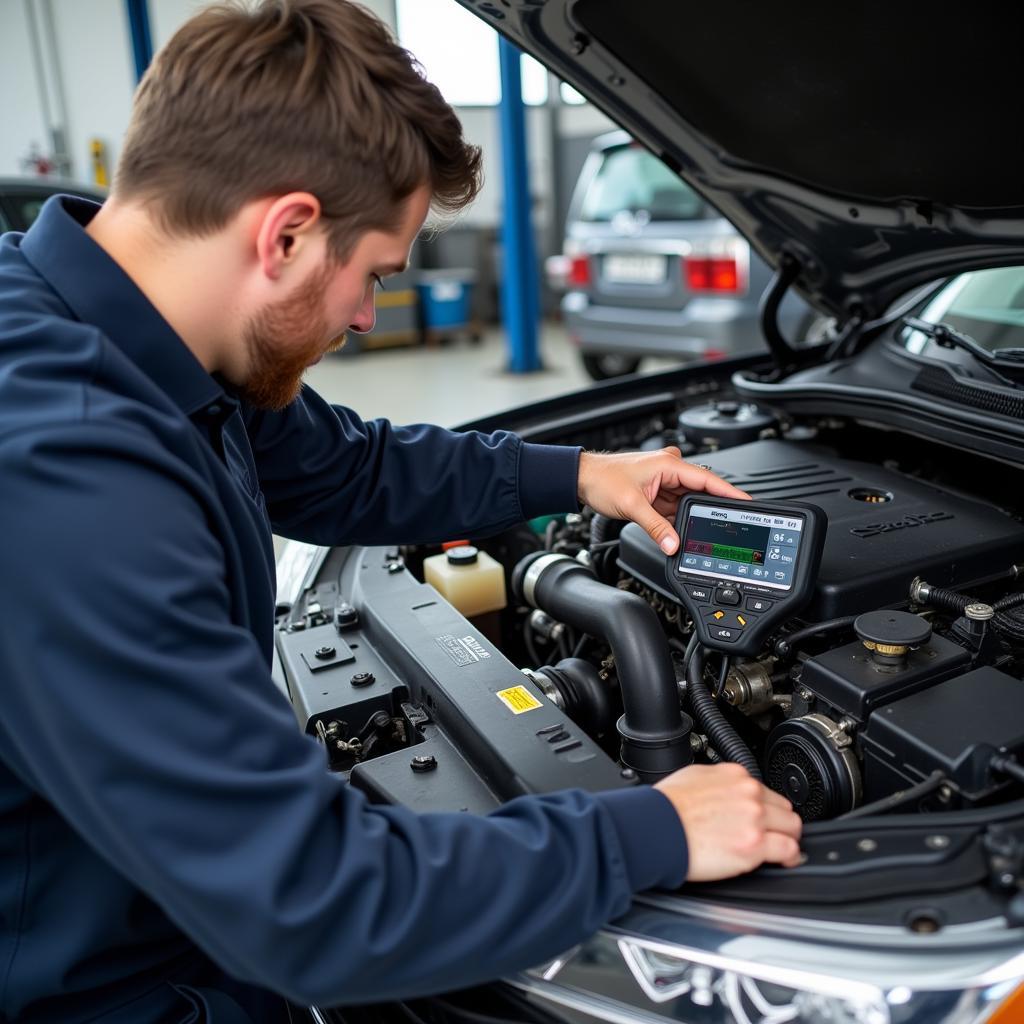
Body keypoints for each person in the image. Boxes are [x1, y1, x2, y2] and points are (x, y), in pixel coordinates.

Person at [0, 2, 802, 1021]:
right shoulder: (68, 476)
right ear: (285, 231)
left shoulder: (133, 343)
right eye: (375, 274)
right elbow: (314, 903)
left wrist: (584, 475)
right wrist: (649, 828)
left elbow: (348, 471)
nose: (368, 316)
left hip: (158, 916)